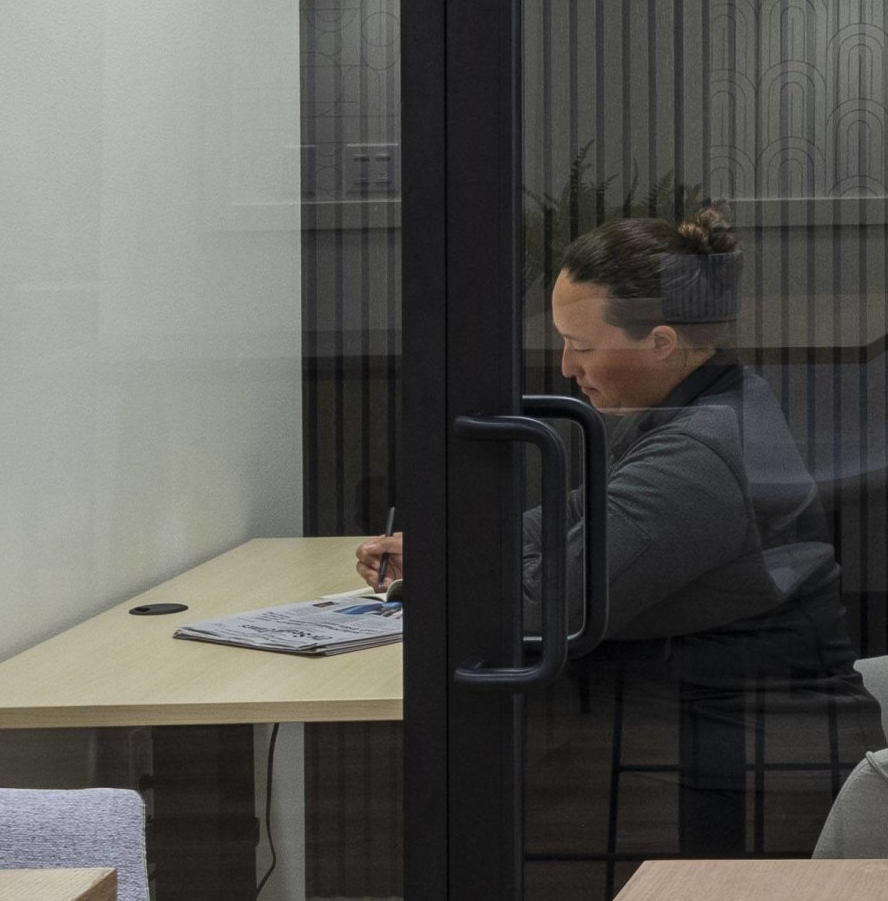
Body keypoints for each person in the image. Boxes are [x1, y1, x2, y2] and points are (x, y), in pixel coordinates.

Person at [359, 204, 847, 852]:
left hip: (751, 728)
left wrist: (442, 572)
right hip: (725, 696)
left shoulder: (696, 455)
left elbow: (548, 605)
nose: (566, 367)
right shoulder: (705, 398)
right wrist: (447, 549)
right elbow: (583, 513)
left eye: (582, 346)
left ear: (661, 343)